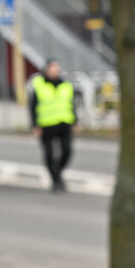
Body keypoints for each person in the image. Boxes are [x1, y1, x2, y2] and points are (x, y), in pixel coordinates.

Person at [30, 58, 78, 192]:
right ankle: (55, 180)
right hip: (46, 125)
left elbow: (71, 104)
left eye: (56, 68)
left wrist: (75, 121)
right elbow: (33, 106)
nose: (55, 71)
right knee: (49, 154)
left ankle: (58, 173)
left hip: (64, 123)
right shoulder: (39, 84)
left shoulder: (66, 85)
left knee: (67, 151)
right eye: (52, 68)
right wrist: (35, 125)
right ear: (46, 70)